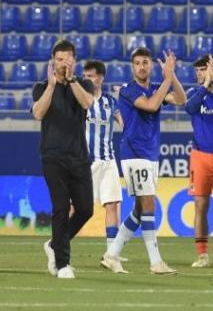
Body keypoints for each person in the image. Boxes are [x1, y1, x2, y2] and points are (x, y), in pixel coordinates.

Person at [105, 47, 186, 275]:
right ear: (133, 67)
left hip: (149, 155)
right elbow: (150, 105)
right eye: (137, 63)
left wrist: (173, 75)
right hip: (134, 153)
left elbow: (181, 99)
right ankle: (155, 262)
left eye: (145, 62)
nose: (142, 66)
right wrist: (166, 80)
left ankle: (112, 254)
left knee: (141, 210)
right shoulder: (128, 91)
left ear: (151, 65)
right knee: (148, 204)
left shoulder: (153, 88)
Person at [32, 40, 95, 279]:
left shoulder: (83, 84)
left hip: (79, 156)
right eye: (59, 59)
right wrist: (51, 86)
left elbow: (87, 103)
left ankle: (54, 244)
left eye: (67, 59)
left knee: (85, 209)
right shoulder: (41, 86)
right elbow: (38, 113)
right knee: (60, 208)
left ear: (74, 61)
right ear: (53, 61)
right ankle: (62, 264)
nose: (63, 64)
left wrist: (71, 81)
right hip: (53, 156)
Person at [184, 55, 213, 268]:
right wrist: (205, 85)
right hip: (200, 156)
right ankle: (202, 254)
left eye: (205, 69)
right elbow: (189, 108)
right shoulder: (195, 93)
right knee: (200, 205)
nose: (200, 73)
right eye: (199, 70)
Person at [81, 60, 124, 273]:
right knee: (76, 208)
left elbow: (124, 124)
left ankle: (111, 254)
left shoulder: (110, 102)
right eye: (85, 76)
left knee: (113, 205)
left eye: (91, 76)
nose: (87, 79)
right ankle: (58, 245)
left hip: (108, 160)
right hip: (87, 162)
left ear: (101, 78)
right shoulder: (80, 101)